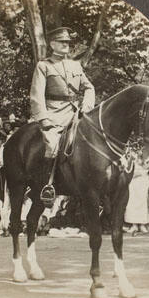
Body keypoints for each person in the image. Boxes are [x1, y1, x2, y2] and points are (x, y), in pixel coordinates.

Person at [28, 27, 95, 204]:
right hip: (54, 113)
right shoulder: (44, 66)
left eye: (67, 42)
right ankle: (47, 185)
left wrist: (87, 105)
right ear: (52, 44)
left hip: (75, 112)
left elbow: (88, 87)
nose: (66, 45)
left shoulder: (75, 65)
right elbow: (36, 95)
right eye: (62, 42)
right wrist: (43, 118)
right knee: (51, 144)